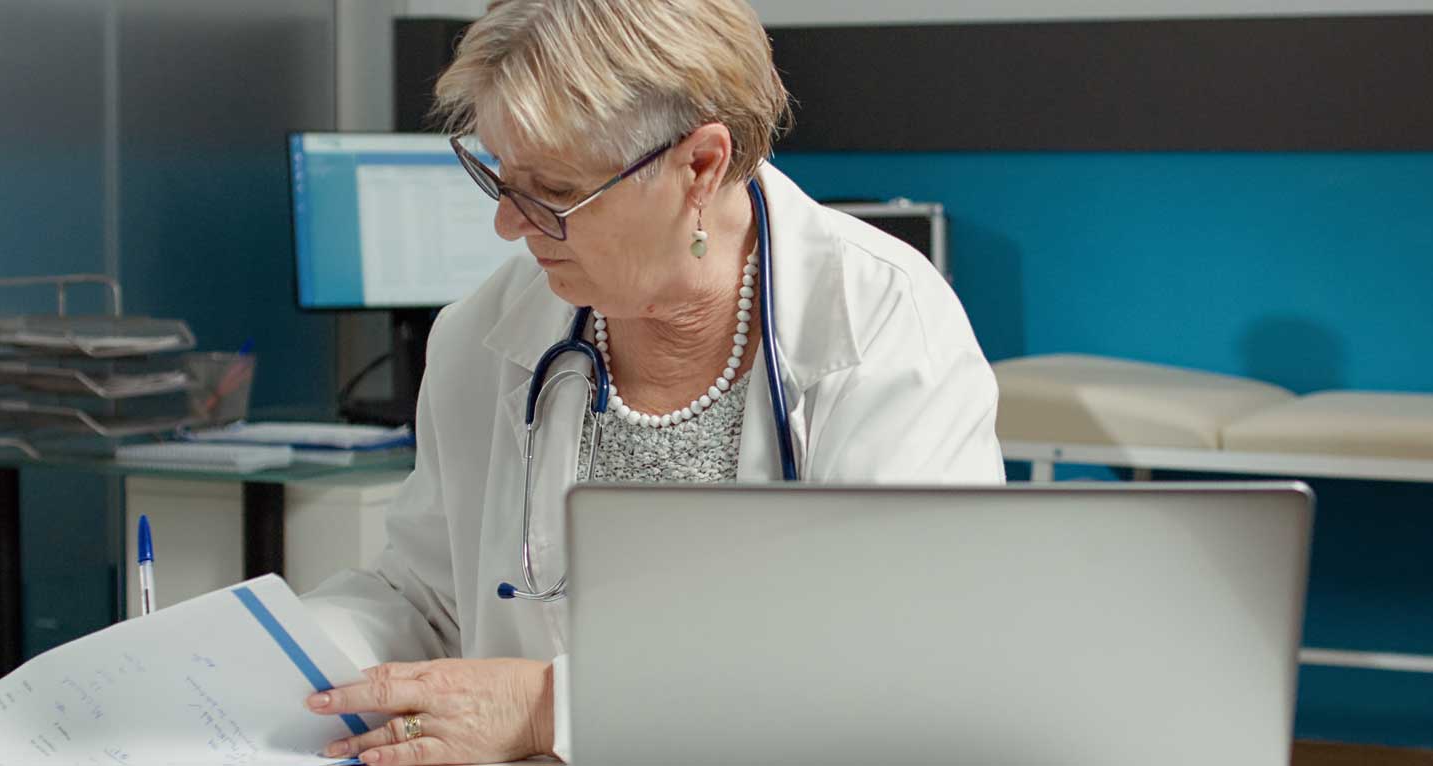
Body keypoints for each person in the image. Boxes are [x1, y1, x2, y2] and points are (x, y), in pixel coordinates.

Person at [299, 1, 1004, 763]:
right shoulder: (482, 334)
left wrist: (550, 711)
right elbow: (425, 598)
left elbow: (905, 663)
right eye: (498, 175)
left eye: (553, 191)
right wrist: (286, 659)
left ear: (699, 166)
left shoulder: (881, 327)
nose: (507, 223)